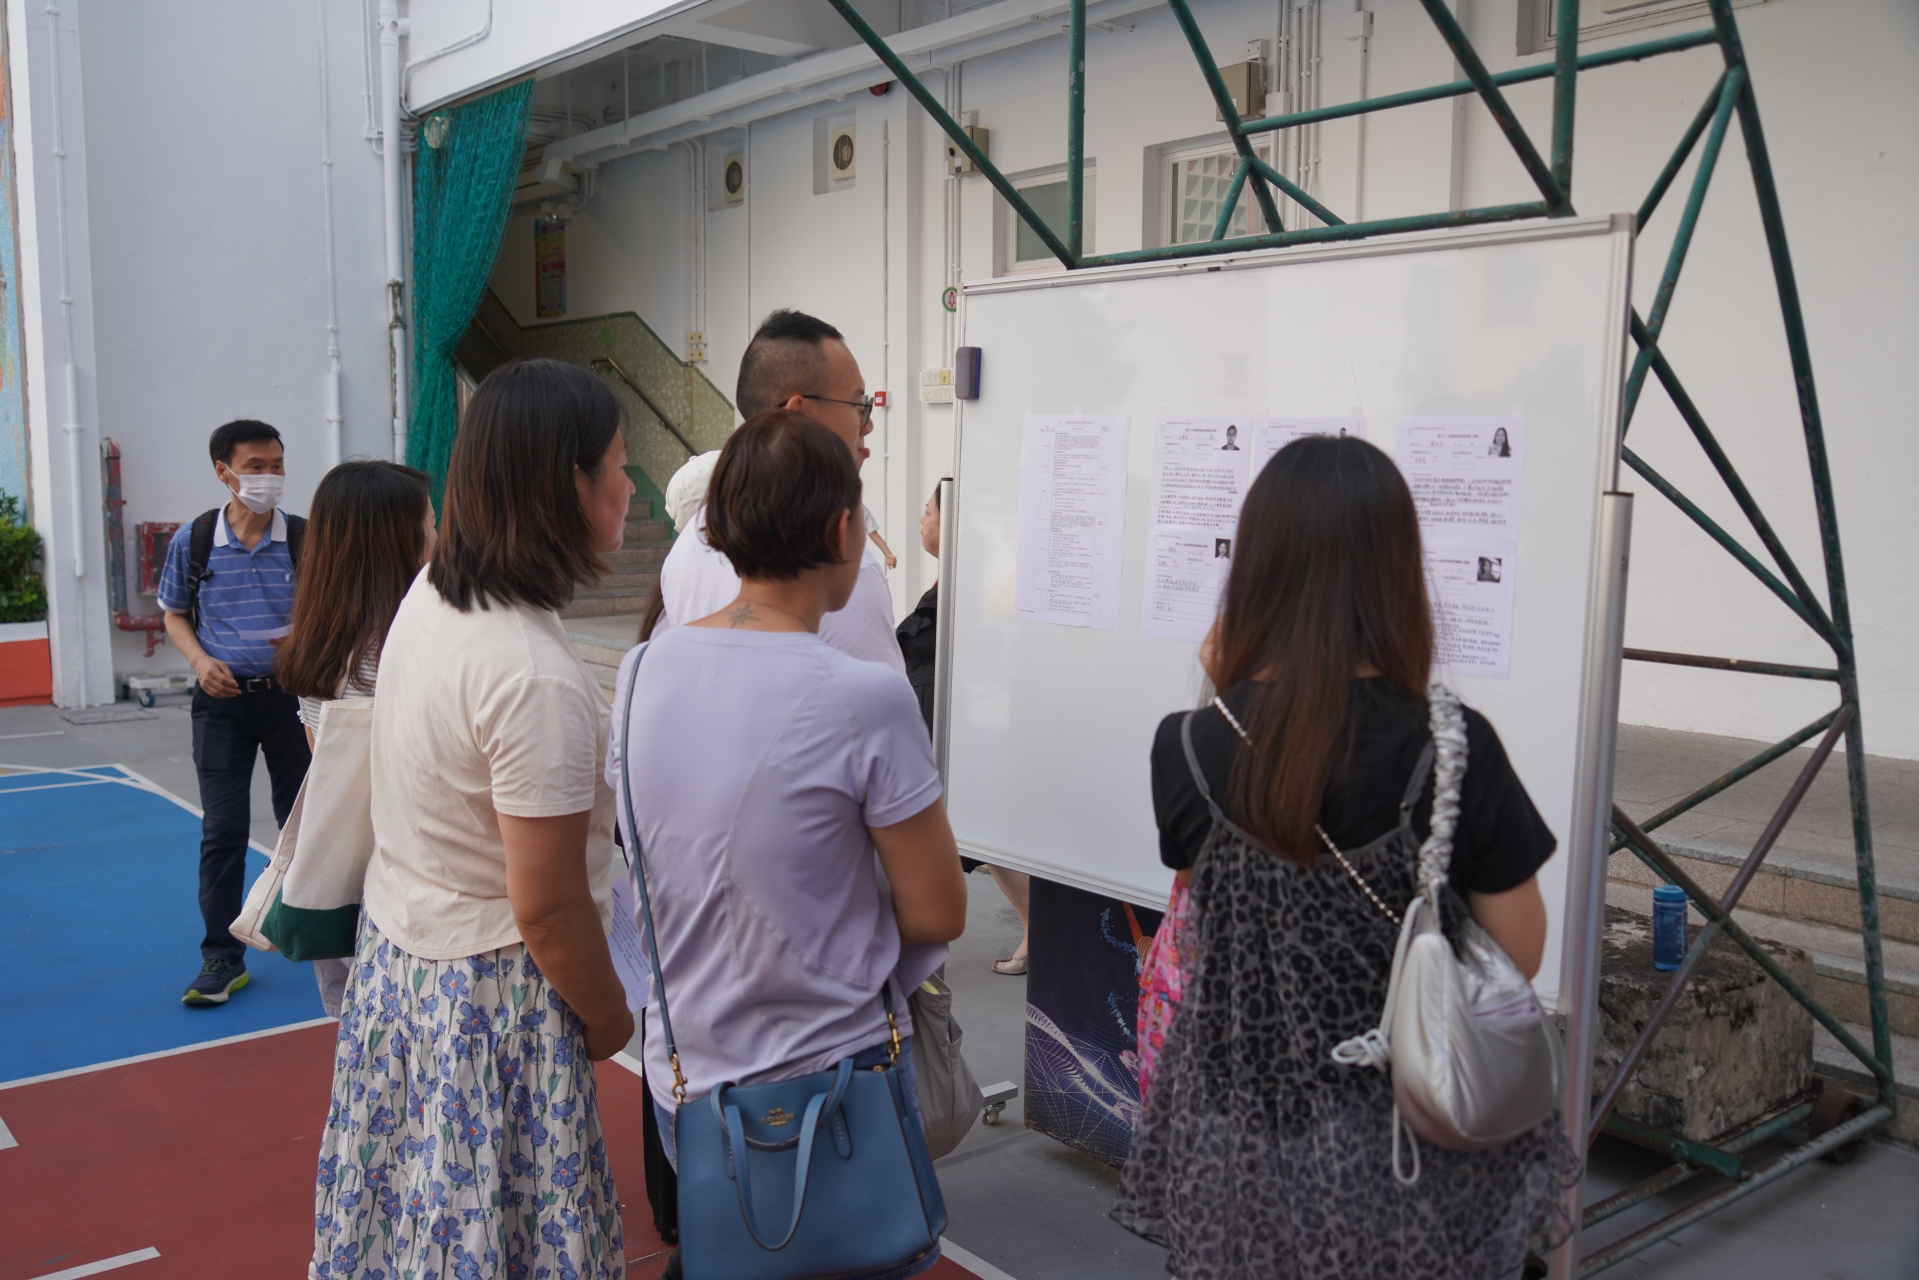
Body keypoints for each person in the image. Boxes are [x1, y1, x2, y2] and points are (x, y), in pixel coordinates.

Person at [1113, 435, 1575, 1279]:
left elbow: (1208, 915)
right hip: (1413, 1137)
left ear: (1255, 569)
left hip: (1245, 1143)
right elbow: (1520, 949)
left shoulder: (1185, 747)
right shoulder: (1453, 746)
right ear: (1395, 573)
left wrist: (1223, 689)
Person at [609, 410, 967, 1276]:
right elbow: (936, 910)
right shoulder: (863, 694)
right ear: (843, 530)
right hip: (831, 1076)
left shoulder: (641, 670)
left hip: (688, 1074)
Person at [311, 359, 635, 1280]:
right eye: (618, 465)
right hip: (492, 1002)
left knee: (413, 1222)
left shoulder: (436, 594)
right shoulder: (528, 674)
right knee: (500, 1229)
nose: (628, 486)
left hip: (406, 960)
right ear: (568, 484)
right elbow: (548, 906)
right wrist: (609, 1017)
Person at [273, 460, 435, 1017]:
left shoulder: (319, 645)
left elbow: (325, 760)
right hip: (414, 890)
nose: (440, 541)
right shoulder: (409, 648)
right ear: (401, 544)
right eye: (431, 526)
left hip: (351, 881)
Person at [158, 419, 312, 1005]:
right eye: (255, 467)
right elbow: (174, 612)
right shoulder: (195, 540)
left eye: (277, 465)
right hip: (220, 706)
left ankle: (317, 938)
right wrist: (200, 661)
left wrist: (303, 647)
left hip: (291, 702)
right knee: (223, 830)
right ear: (223, 472)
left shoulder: (305, 539)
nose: (269, 477)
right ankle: (221, 958)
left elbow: (329, 609)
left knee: (304, 825)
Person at [656, 309, 904, 673]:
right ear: (797, 415)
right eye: (858, 405)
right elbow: (880, 702)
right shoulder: (839, 567)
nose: (866, 426)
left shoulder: (693, 537)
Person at [895, 485, 1031, 976]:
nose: (922, 518)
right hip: (936, 715)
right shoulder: (954, 576)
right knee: (972, 831)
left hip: (950, 720)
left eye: (928, 509)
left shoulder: (972, 580)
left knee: (971, 829)